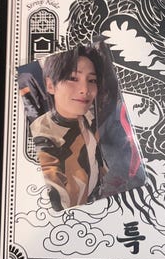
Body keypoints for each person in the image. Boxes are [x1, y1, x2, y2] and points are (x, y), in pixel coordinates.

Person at [29, 46, 108, 210]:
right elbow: (55, 195)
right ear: (50, 85)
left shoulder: (88, 117)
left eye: (92, 80)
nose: (85, 90)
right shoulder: (44, 137)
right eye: (73, 78)